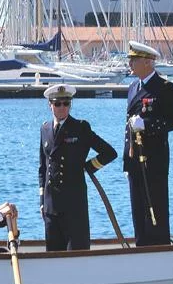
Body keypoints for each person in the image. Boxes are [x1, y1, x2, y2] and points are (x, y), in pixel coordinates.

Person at [38, 84, 117, 251]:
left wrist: (88, 167)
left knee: (77, 253)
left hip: (74, 204)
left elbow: (109, 152)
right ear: (49, 105)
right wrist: (42, 201)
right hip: (51, 205)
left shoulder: (80, 128)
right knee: (53, 254)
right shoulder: (45, 128)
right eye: (57, 104)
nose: (62, 108)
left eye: (66, 103)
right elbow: (43, 168)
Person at [123, 40, 173, 246]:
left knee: (155, 205)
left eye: (134, 60)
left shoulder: (165, 88)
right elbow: (128, 126)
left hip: (154, 159)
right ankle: (141, 246)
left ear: (148, 62)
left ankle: (159, 245)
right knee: (138, 208)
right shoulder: (132, 88)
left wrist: (147, 124)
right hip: (134, 158)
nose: (130, 64)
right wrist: (126, 159)